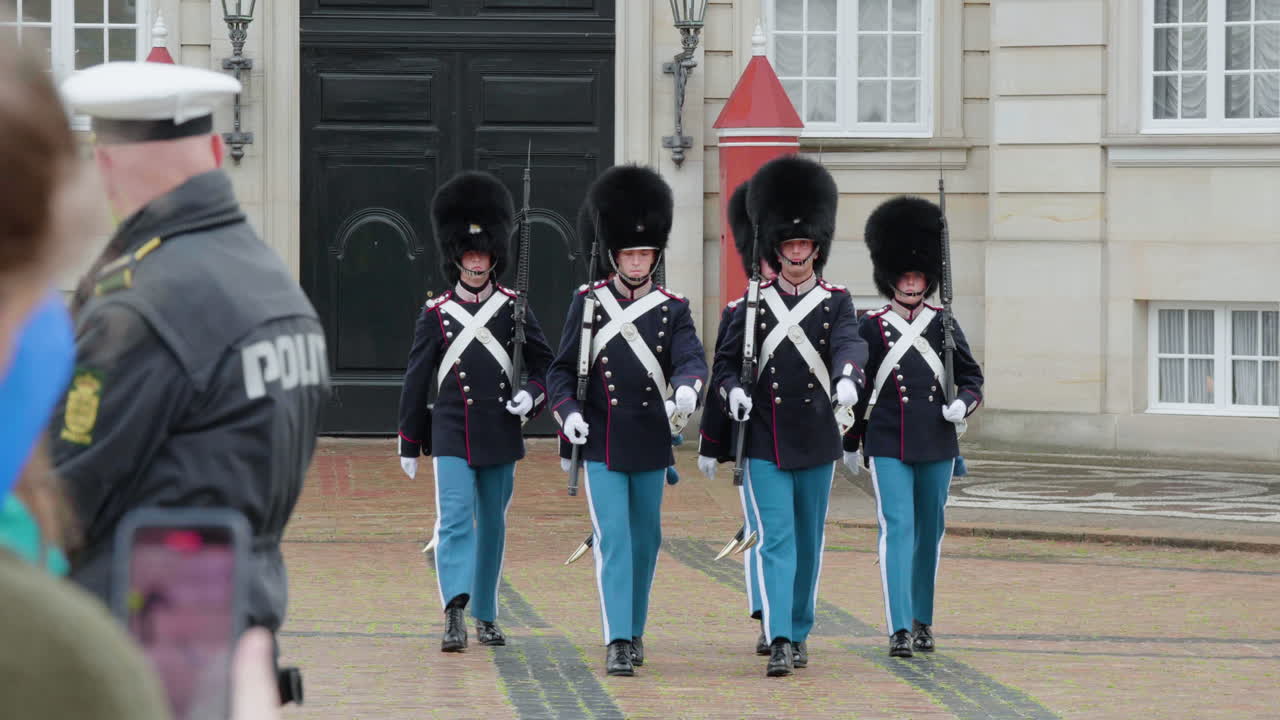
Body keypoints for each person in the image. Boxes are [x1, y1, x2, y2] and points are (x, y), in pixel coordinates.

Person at [51, 61, 330, 702]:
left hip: (137, 649)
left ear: (107, 164)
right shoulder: (275, 287)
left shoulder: (142, 305)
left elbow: (60, 500)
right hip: (239, 630)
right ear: (212, 150)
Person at [547, 164, 707, 677]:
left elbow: (690, 358)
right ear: (614, 255)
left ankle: (635, 630)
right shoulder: (588, 304)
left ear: (654, 256)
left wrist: (686, 386)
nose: (638, 262)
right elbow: (560, 371)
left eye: (645, 254)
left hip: (651, 441)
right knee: (613, 538)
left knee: (645, 540)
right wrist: (568, 414)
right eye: (629, 253)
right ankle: (616, 637)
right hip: (602, 442)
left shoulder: (672, 309)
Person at [711, 155, 868, 677]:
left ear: (816, 248)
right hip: (764, 440)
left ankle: (799, 628)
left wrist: (848, 375)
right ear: (776, 249)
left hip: (817, 437)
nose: (798, 253)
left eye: (805, 245)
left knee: (807, 540)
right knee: (776, 538)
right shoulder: (748, 307)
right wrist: (732, 392)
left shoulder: (836, 301)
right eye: (790, 245)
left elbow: (849, 342)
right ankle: (779, 635)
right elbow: (726, 365)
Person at [397, 170, 553, 652]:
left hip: (500, 430)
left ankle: (486, 612)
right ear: (455, 257)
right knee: (455, 518)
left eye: (482, 254)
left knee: (494, 524)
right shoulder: (437, 313)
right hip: (449, 429)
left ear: (494, 257)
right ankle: (454, 611)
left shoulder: (515, 308)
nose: (476, 261)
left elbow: (547, 365)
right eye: (468, 254)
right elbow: (417, 377)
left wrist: (532, 395)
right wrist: (408, 438)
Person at [847, 195, 984, 658]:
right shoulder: (871, 326)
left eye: (918, 274)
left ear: (929, 277)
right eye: (903, 274)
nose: (910, 281)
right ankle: (899, 625)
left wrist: (962, 406)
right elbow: (860, 390)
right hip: (887, 440)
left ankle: (923, 618)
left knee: (930, 529)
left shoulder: (944, 325)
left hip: (936, 440)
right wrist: (851, 441)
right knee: (898, 526)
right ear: (890, 276)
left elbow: (972, 378)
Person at [696, 180, 774, 657]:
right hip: (756, 433)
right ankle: (766, 614)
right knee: (759, 529)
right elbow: (721, 368)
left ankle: (784, 615)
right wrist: (710, 440)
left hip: (800, 434)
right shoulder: (738, 311)